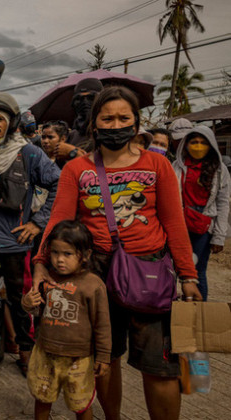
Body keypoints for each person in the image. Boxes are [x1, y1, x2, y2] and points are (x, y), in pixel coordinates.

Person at [33, 86, 201, 420]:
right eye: (107, 118)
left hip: (150, 273)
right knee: (103, 359)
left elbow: (174, 223)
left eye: (124, 117)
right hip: (94, 274)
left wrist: (189, 276)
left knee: (159, 366)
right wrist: (41, 264)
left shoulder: (158, 165)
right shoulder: (76, 169)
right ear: (94, 124)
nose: (115, 124)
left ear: (137, 122)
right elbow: (59, 220)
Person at [0, 92, 61, 376]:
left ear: (10, 123)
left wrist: (37, 223)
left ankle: (26, 352)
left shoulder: (29, 153)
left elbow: (58, 184)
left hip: (15, 242)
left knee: (22, 300)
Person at [22, 220, 110, 420]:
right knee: (42, 397)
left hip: (79, 359)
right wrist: (27, 302)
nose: (59, 260)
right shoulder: (47, 279)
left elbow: (103, 325)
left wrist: (104, 356)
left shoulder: (93, 285)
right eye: (55, 253)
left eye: (67, 254)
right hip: (45, 353)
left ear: (86, 255)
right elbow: (32, 307)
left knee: (81, 403)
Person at [172, 125, 230, 301]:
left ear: (211, 145)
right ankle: (171, 310)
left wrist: (219, 236)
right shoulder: (177, 166)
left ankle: (199, 313)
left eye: (203, 143)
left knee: (198, 271)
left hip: (203, 228)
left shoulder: (220, 170)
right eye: (194, 142)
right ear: (186, 144)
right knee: (173, 268)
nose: (198, 146)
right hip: (178, 224)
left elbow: (223, 203)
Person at [55, 78, 104, 162]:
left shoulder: (109, 132)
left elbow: (111, 166)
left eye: (91, 98)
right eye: (79, 99)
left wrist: (73, 153)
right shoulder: (72, 135)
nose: (85, 102)